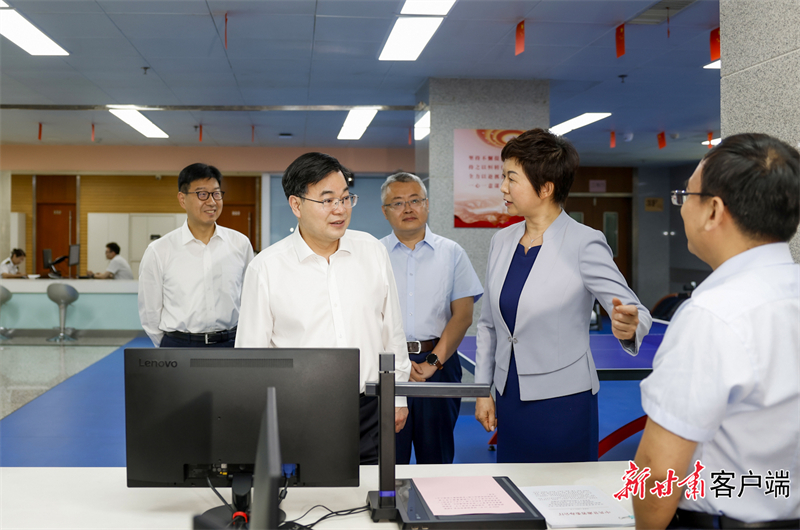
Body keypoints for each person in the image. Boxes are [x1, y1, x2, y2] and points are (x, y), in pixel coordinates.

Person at [633, 133, 800, 529]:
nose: (681, 209)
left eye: (686, 196)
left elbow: (658, 471)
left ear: (713, 210)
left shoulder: (711, 315)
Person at [474, 128, 652, 463]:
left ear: (545, 188)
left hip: (563, 401)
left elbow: (635, 310)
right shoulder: (502, 241)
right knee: (514, 487)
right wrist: (483, 390)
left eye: (511, 178)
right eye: (503, 176)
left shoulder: (584, 242)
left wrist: (630, 325)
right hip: (509, 394)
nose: (502, 187)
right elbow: (488, 325)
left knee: (567, 489)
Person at [235, 152, 411, 465]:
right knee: (309, 493)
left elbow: (392, 331)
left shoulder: (372, 251)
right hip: (299, 411)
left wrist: (398, 396)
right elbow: (251, 354)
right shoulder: (266, 268)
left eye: (345, 198)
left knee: (374, 489)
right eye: (327, 200)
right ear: (296, 205)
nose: (340, 209)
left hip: (370, 407)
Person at [380, 172, 484, 465]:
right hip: (387, 365)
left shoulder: (452, 253)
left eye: (415, 200)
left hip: (440, 365)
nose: (408, 208)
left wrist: (433, 362)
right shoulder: (373, 254)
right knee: (388, 461)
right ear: (385, 211)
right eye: (397, 203)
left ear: (426, 204)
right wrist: (398, 364)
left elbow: (463, 316)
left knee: (437, 459)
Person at [138, 163, 253, 348]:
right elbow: (150, 312)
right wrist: (169, 346)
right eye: (202, 194)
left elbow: (250, 298)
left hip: (230, 344)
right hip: (180, 345)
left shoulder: (240, 244)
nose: (212, 202)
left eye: (216, 194)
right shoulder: (159, 250)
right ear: (182, 199)